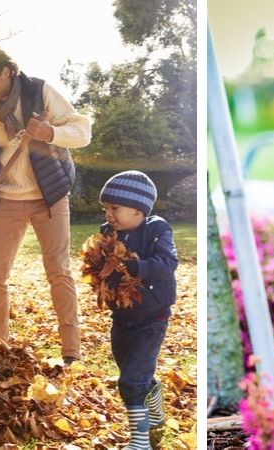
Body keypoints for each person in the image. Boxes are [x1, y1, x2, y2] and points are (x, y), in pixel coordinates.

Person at [0, 46, 91, 363]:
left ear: (7, 72)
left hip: (50, 195)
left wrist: (50, 132)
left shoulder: (39, 92)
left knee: (58, 270)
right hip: (8, 198)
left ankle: (72, 352)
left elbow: (82, 131)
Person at [98, 171, 178, 449]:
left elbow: (168, 263)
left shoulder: (157, 230)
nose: (108, 214)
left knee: (131, 380)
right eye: (106, 208)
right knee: (133, 371)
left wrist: (137, 267)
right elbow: (104, 264)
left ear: (138, 209)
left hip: (152, 318)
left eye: (114, 208)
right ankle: (154, 406)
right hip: (122, 317)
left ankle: (140, 441)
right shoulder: (108, 232)